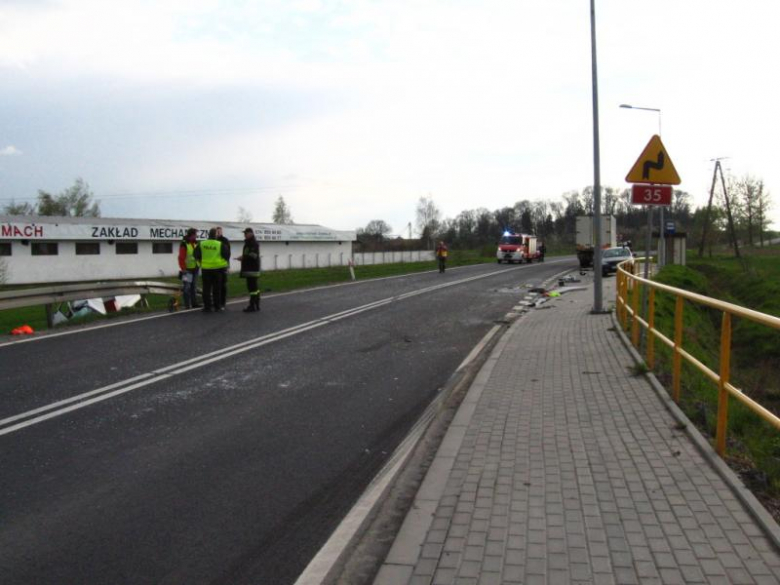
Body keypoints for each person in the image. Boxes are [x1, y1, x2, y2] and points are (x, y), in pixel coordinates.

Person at [195, 228, 230, 312]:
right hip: (217, 269)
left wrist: (201, 262)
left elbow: (196, 254)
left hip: (206, 269)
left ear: (209, 234)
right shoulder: (220, 244)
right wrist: (223, 264)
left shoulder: (202, 244)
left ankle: (207, 307)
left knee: (206, 289)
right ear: (215, 235)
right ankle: (217, 306)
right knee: (216, 289)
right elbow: (227, 255)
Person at [236, 228, 261, 312]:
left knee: (252, 288)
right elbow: (248, 254)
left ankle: (252, 305)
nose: (244, 235)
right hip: (250, 269)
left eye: (246, 233)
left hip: (252, 269)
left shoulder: (253, 243)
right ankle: (256, 303)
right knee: (254, 288)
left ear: (251, 234)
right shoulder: (248, 243)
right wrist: (243, 257)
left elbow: (253, 255)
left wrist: (243, 258)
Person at [177, 228, 200, 309]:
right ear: (192, 235)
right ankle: (187, 305)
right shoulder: (184, 244)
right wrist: (183, 269)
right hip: (187, 269)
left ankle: (194, 303)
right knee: (187, 287)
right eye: (196, 234)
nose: (197, 236)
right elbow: (181, 257)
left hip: (195, 268)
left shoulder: (196, 243)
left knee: (194, 286)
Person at [215, 226, 231, 311]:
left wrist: (227, 265)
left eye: (219, 232)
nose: (218, 233)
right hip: (214, 266)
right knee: (216, 285)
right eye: (217, 232)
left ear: (222, 232)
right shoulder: (213, 240)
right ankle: (216, 302)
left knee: (223, 285)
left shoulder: (225, 240)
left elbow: (228, 254)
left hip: (223, 265)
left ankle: (222, 303)